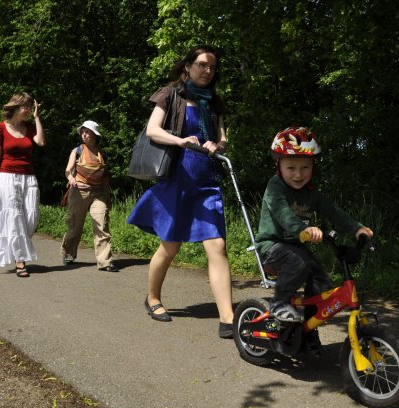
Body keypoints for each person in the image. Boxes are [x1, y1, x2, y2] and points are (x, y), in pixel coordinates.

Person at [127, 45, 234, 338]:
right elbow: (152, 130)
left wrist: (217, 145)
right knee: (170, 246)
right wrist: (180, 141)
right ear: (187, 66)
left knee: (217, 246)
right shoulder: (171, 94)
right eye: (201, 64)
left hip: (207, 181)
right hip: (177, 179)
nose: (207, 70)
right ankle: (152, 297)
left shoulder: (214, 101)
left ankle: (228, 318)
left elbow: (222, 137)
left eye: (212, 67)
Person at [255, 127, 374, 356]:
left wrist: (357, 228)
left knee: (321, 280)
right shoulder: (275, 186)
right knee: (299, 261)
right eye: (291, 168)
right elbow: (282, 212)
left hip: (296, 250)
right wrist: (302, 229)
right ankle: (280, 303)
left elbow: (333, 211)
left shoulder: (311, 192)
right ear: (278, 166)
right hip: (271, 247)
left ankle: (308, 330)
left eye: (305, 168)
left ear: (313, 167)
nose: (298, 174)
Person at [0, 92, 46, 277]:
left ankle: (16, 249)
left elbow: (41, 142)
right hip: (7, 177)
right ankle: (20, 260)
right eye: (26, 107)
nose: (28, 110)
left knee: (32, 216)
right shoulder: (0, 128)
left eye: (30, 107)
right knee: (14, 217)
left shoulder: (30, 127)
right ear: (16, 107)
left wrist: (37, 118)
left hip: (29, 177)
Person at [61, 120, 118, 272]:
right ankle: (68, 254)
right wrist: (71, 179)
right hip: (78, 192)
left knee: (102, 225)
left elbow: (105, 178)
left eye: (87, 132)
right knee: (75, 226)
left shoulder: (102, 154)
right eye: (83, 132)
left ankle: (105, 262)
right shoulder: (77, 151)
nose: (84, 135)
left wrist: (108, 197)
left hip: (98, 193)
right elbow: (68, 170)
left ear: (95, 134)